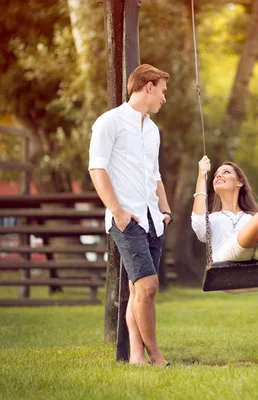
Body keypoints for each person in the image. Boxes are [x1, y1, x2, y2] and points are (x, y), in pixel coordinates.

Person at [89, 64, 171, 366]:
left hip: (154, 220)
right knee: (148, 286)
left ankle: (137, 356)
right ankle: (156, 356)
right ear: (148, 87)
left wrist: (165, 210)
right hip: (127, 220)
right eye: (162, 91)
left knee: (138, 289)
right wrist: (118, 213)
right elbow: (97, 168)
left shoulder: (152, 130)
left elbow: (156, 174)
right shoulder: (109, 122)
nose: (164, 97)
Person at [191, 156, 258, 270]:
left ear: (239, 182)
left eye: (226, 172)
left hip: (257, 266)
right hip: (225, 265)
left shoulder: (250, 216)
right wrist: (201, 177)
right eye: (216, 175)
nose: (218, 175)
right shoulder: (212, 219)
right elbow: (198, 223)